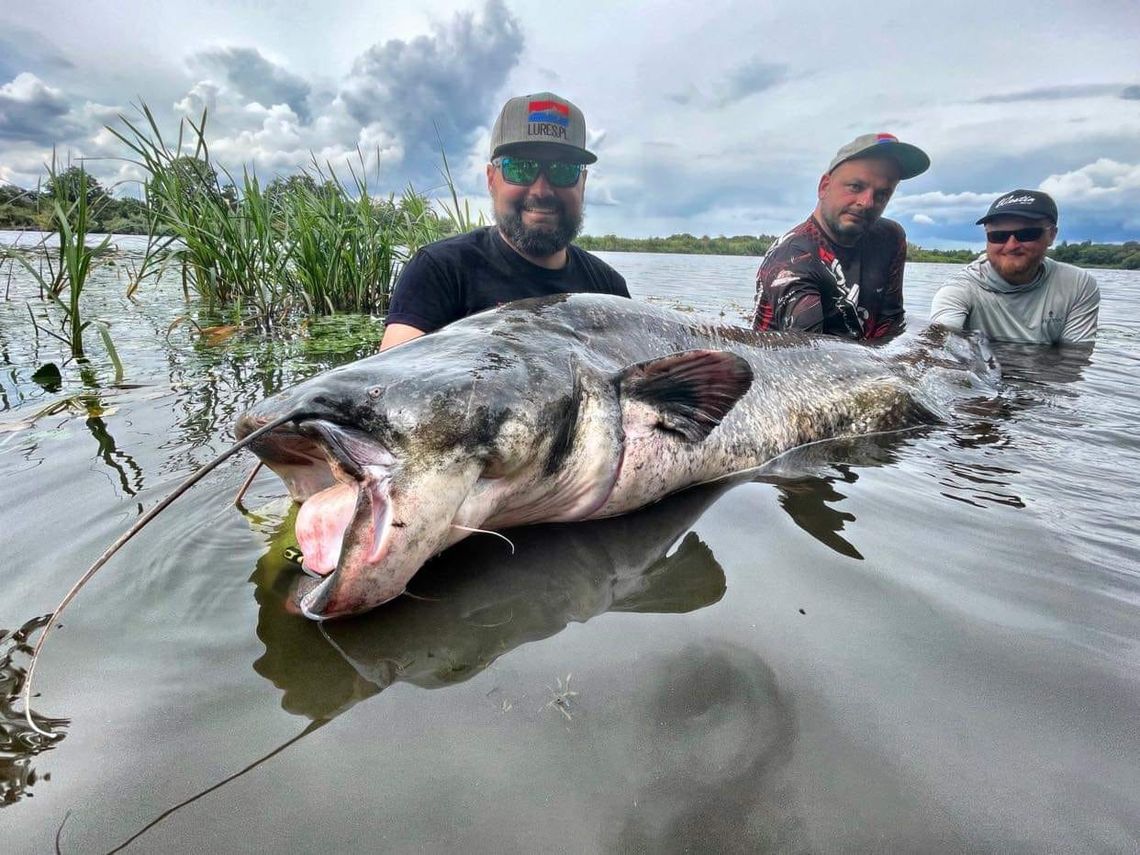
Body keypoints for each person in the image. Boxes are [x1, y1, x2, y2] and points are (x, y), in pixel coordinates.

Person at [379, 92, 629, 350]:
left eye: (562, 170)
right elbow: (385, 382)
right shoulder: (439, 271)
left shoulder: (609, 290)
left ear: (583, 183)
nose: (541, 190)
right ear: (491, 179)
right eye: (520, 168)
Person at [752, 133, 930, 339]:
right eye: (856, 186)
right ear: (824, 186)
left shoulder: (890, 237)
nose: (867, 202)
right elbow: (807, 355)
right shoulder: (792, 259)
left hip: (864, 361)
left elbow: (891, 322)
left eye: (882, 194)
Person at [930, 189, 1099, 344]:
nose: (1011, 245)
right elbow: (940, 342)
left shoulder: (1078, 284)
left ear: (1052, 235)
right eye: (998, 236)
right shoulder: (960, 288)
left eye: (1026, 234)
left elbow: (1075, 359)